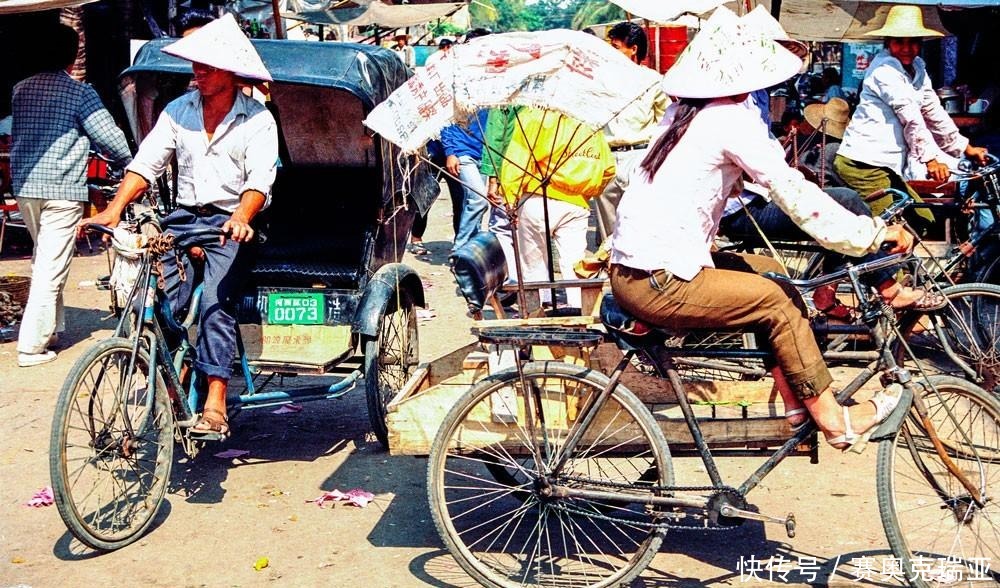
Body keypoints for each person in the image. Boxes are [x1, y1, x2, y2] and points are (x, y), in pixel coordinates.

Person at [610, 8, 916, 450]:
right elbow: (792, 193)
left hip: (645, 269)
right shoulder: (728, 119)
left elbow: (773, 181)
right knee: (776, 300)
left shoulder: (685, 114)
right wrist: (870, 235)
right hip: (658, 280)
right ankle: (835, 421)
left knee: (769, 272)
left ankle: (795, 403)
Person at [84, 14, 278, 440]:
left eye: (207, 65)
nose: (198, 72)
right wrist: (114, 210)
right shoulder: (178, 110)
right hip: (185, 219)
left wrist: (242, 218)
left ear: (230, 70)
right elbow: (147, 164)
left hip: (232, 223)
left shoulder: (257, 119)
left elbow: (258, 181)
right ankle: (175, 374)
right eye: (196, 64)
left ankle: (215, 400)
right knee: (152, 301)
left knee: (214, 301)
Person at [11, 23, 133, 367]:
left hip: (25, 187)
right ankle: (31, 347)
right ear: (71, 56)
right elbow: (109, 138)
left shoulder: (20, 89)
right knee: (51, 266)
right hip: (62, 189)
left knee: (45, 259)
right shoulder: (80, 93)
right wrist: (134, 163)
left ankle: (51, 329)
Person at [834, 4, 989, 234]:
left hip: (888, 167)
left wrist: (966, 148)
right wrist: (931, 160)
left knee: (922, 219)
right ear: (888, 42)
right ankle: (892, 271)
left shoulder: (917, 67)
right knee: (898, 231)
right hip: (863, 165)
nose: (907, 48)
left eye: (913, 41)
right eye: (899, 41)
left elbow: (933, 111)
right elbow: (912, 119)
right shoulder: (884, 70)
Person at [495, 107, 614, 310]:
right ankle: (578, 312)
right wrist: (585, 193)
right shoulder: (589, 121)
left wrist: (510, 200)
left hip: (535, 199)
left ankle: (540, 310)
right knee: (574, 263)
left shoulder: (533, 116)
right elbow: (607, 169)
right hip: (576, 204)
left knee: (533, 262)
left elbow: (516, 162)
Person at [592, 22, 668, 244]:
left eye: (616, 47)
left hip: (640, 156)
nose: (611, 53)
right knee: (609, 230)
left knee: (640, 222)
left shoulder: (653, 81)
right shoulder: (601, 80)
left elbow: (667, 123)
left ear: (633, 49)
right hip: (606, 158)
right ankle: (610, 273)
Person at [441, 110, 490, 254]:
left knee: (471, 205)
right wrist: (450, 152)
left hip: (485, 153)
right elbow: (444, 120)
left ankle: (471, 254)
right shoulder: (457, 90)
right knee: (479, 200)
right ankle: (459, 249)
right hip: (462, 151)